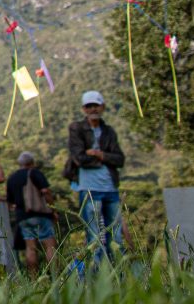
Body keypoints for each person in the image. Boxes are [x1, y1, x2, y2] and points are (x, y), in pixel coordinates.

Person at [68, 90, 125, 262]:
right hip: (89, 189)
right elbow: (78, 158)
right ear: (84, 109)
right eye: (89, 106)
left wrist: (99, 154)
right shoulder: (77, 128)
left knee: (116, 236)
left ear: (103, 107)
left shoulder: (109, 131)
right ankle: (97, 273)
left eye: (96, 105)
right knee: (95, 237)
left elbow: (120, 159)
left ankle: (118, 271)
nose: (93, 109)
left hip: (110, 188)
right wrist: (105, 158)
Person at [5, 151, 56, 275]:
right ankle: (55, 276)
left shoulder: (12, 178)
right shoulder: (35, 173)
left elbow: (10, 202)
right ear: (32, 162)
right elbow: (45, 191)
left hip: (23, 217)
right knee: (50, 246)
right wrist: (52, 209)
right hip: (40, 214)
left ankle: (33, 278)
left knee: (30, 248)